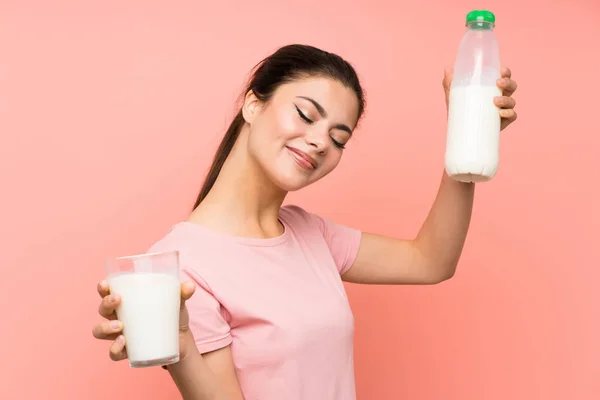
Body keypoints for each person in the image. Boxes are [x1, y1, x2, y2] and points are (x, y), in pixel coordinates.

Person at [92, 44, 518, 399]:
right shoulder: (180, 268)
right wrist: (181, 347)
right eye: (306, 114)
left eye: (338, 139)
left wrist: (469, 142)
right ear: (253, 103)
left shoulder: (309, 233)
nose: (319, 142)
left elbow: (431, 261)